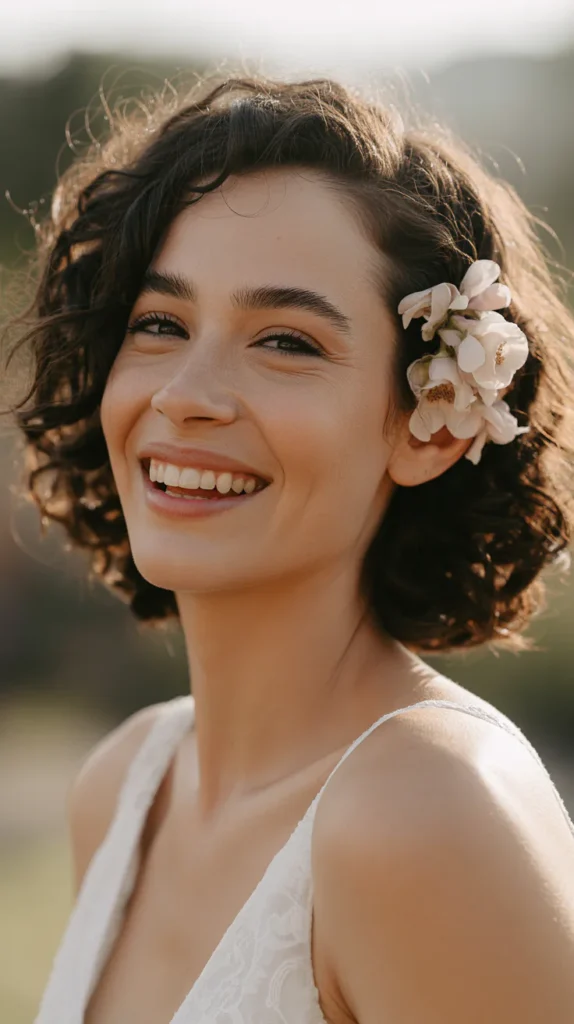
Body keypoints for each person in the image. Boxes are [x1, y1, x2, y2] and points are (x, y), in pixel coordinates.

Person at [5, 73, 574, 1023]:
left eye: (287, 342)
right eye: (159, 323)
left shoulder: (431, 812)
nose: (187, 393)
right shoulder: (123, 786)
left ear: (428, 424)